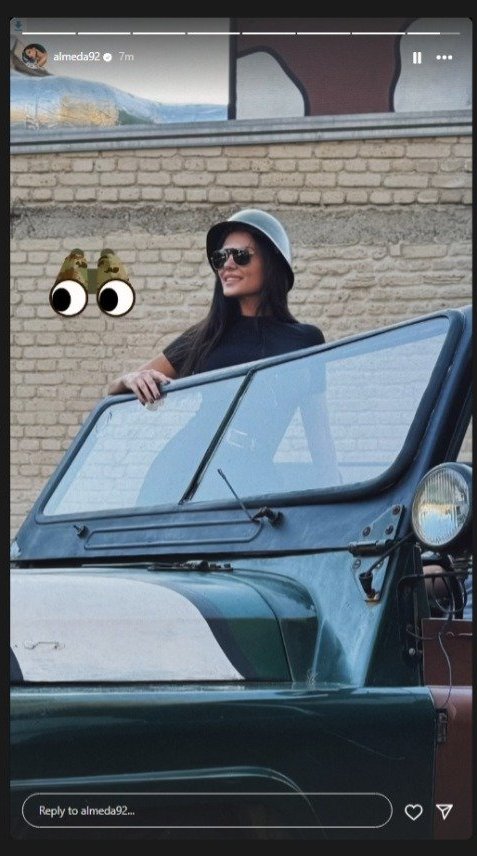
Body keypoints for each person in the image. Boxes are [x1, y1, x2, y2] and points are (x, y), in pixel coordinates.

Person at [108, 209, 325, 404]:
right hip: (199, 439)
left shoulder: (306, 340)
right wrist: (130, 379)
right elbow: (116, 390)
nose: (227, 265)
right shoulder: (207, 335)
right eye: (220, 257)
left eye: (241, 256)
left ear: (271, 264)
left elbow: (317, 426)